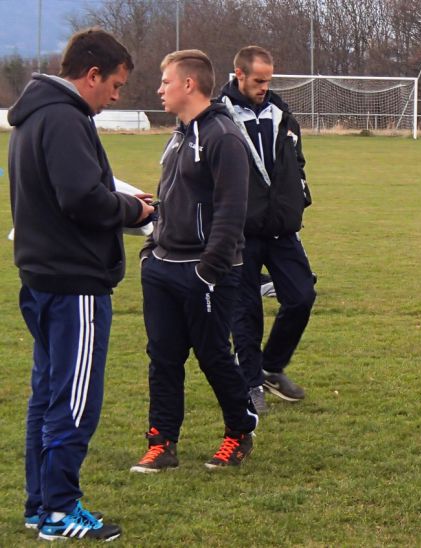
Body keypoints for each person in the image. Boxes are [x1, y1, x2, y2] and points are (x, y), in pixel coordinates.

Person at [8, 28, 153, 541]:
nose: (115, 96)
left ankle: (40, 505)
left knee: (48, 395)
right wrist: (133, 209)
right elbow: (81, 198)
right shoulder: (65, 118)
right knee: (74, 400)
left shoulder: (33, 115)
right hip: (74, 283)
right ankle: (60, 510)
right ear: (92, 75)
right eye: (115, 85)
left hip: (42, 276)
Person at [130, 49, 258, 473]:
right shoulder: (179, 135)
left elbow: (231, 213)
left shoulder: (224, 137)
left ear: (188, 84)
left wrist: (208, 271)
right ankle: (162, 442)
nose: (159, 89)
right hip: (162, 266)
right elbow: (175, 197)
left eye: (165, 81)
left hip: (206, 271)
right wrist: (151, 247)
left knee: (213, 355)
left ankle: (240, 430)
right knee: (163, 357)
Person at [218, 46, 316, 414]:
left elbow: (296, 161)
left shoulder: (282, 114)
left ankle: (271, 367)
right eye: (258, 80)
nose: (264, 87)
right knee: (246, 311)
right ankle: (250, 383)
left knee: (302, 296)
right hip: (240, 232)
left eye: (269, 80)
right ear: (239, 75)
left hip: (281, 228)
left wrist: (297, 199)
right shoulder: (220, 116)